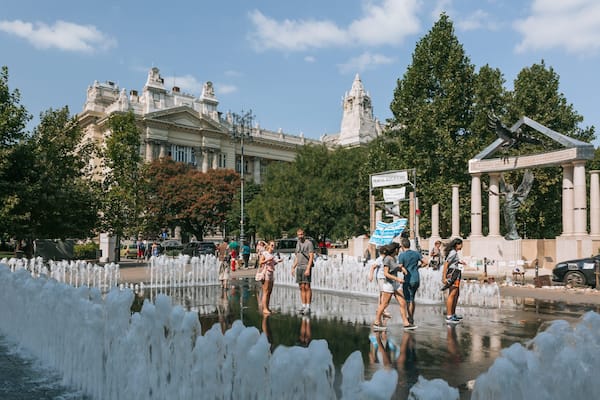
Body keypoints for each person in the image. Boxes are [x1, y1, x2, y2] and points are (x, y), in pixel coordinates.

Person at [373, 243, 416, 331]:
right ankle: (376, 322)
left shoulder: (393, 258)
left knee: (402, 302)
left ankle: (406, 323)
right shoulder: (387, 259)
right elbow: (386, 273)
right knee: (384, 304)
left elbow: (395, 267)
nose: (399, 251)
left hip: (395, 284)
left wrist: (401, 268)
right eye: (398, 249)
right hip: (388, 284)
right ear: (395, 249)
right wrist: (397, 278)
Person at [398, 237, 426, 325]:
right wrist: (418, 267)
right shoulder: (416, 253)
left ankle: (409, 318)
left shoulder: (402, 255)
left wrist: (402, 269)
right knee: (412, 299)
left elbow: (400, 266)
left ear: (402, 246)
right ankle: (411, 317)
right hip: (416, 278)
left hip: (408, 279)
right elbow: (426, 262)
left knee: (407, 300)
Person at [441, 238, 467, 324]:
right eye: (461, 244)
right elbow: (446, 264)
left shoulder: (454, 253)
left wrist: (459, 262)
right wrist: (443, 277)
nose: (462, 246)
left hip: (456, 273)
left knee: (456, 294)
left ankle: (452, 313)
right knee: (452, 294)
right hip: (453, 273)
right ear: (457, 245)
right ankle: (449, 315)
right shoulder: (453, 252)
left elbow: (452, 262)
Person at [291, 228, 314, 315]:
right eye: (298, 235)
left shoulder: (309, 243)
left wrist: (308, 268)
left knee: (307, 286)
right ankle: (303, 305)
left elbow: (311, 256)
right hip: (299, 267)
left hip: (306, 267)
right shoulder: (298, 243)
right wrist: (293, 267)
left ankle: (308, 306)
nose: (300, 236)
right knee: (301, 287)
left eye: (301, 234)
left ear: (304, 234)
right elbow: (297, 256)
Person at [258, 240, 282, 315]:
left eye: (274, 245)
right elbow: (260, 262)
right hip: (266, 273)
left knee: (269, 291)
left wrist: (277, 262)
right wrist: (268, 260)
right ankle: (264, 308)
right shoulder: (265, 253)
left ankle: (267, 307)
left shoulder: (273, 254)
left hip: (271, 272)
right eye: (272, 245)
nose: (273, 247)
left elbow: (272, 264)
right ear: (268, 246)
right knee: (265, 291)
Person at [367, 247, 392, 319]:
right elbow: (373, 267)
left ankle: (380, 308)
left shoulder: (387, 258)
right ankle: (383, 309)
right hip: (381, 278)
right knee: (383, 293)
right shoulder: (379, 259)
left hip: (385, 278)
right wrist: (371, 275)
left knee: (382, 293)